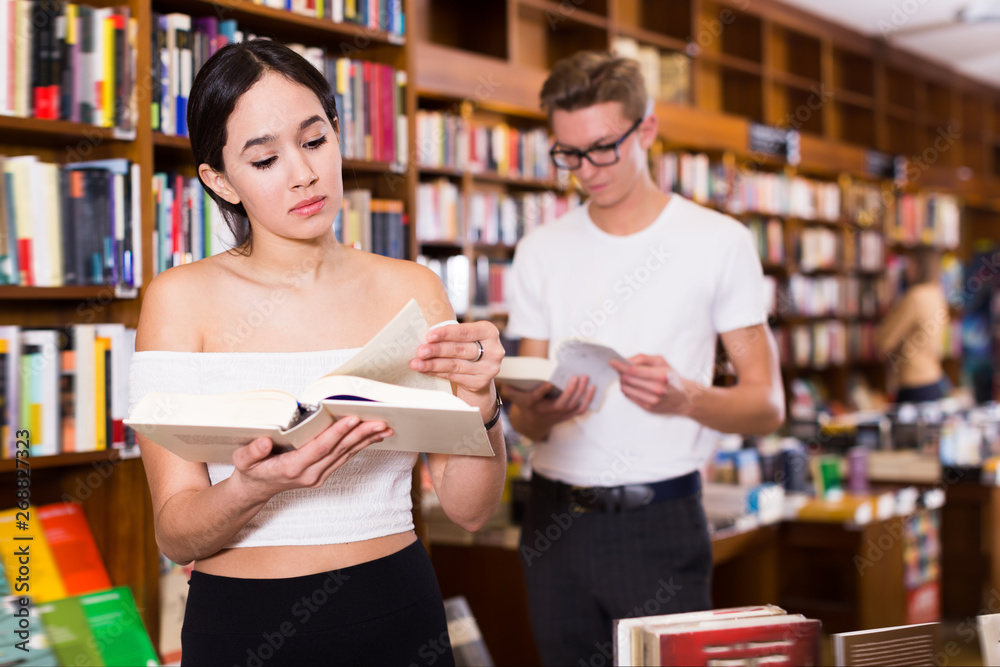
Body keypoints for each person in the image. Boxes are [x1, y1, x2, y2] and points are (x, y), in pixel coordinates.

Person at [128, 39, 507, 666]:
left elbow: (470, 508)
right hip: (243, 627)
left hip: (397, 608)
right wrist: (252, 487)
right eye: (265, 158)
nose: (303, 173)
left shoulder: (411, 288)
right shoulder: (179, 300)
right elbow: (175, 531)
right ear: (219, 179)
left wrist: (481, 396)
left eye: (314, 141)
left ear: (337, 135)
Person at [500, 51, 785, 666]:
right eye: (568, 153)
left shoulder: (719, 242)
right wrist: (542, 412)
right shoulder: (540, 250)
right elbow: (524, 418)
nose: (586, 170)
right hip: (555, 522)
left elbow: (767, 405)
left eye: (602, 147)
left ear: (647, 129)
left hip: (661, 520)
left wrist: (689, 397)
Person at [876, 247, 950, 403]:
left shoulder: (914, 296)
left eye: (910, 264)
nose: (906, 269)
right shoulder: (937, 294)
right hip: (934, 378)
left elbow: (883, 341)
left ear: (919, 266)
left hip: (912, 381)